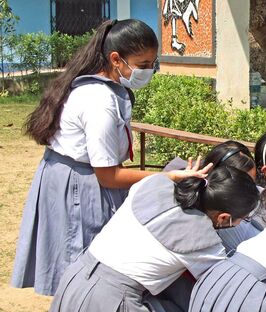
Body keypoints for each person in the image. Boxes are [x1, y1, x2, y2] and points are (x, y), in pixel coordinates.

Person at [11, 19, 207, 296]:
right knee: (85, 266)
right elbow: (108, 175)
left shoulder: (106, 89)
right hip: (82, 184)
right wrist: (168, 177)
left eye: (153, 63)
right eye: (142, 64)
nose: (149, 71)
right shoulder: (98, 100)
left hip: (78, 176)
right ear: (116, 59)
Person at [41, 166, 260, 312]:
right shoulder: (204, 242)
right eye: (243, 219)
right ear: (224, 217)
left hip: (77, 277)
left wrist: (176, 176)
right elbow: (226, 288)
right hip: (112, 301)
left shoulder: (153, 185)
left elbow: (166, 179)